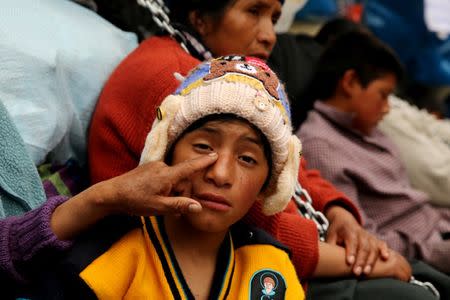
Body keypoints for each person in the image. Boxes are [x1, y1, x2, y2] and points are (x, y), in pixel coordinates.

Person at [88, 0, 392, 283]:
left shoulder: (227, 75)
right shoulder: (177, 81)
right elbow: (258, 223)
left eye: (274, 18)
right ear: (200, 18)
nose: (270, 36)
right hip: (153, 266)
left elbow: (285, 160)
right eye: (253, 12)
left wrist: (336, 209)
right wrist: (363, 261)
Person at [36, 56, 306, 299]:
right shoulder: (107, 254)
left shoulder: (271, 267)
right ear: (166, 151)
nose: (220, 174)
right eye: (203, 146)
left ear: (269, 183)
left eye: (247, 159)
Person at [297, 30, 450, 293]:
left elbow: (411, 200)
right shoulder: (321, 146)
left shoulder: (367, 129)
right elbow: (366, 240)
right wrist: (439, 250)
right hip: (423, 254)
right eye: (383, 94)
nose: (387, 107)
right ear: (350, 82)